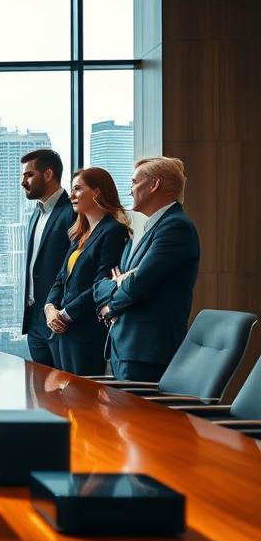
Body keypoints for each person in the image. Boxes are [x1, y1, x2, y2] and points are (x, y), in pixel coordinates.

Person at [94, 157, 200, 381]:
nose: (130, 190)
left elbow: (137, 285)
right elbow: (101, 285)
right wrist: (119, 281)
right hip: (126, 348)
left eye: (134, 182)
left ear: (154, 184)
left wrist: (109, 308)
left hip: (146, 351)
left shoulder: (175, 227)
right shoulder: (146, 229)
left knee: (136, 417)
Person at [44, 168, 130, 375]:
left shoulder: (113, 231)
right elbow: (61, 279)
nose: (71, 195)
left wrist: (65, 315)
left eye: (77, 189)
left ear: (97, 192)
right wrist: (49, 309)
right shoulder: (79, 234)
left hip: (86, 333)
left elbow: (101, 285)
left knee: (83, 402)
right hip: (63, 333)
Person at [20, 149, 75, 367]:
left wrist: (60, 309)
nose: (23, 181)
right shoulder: (36, 213)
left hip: (59, 317)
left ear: (48, 174)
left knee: (65, 392)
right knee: (40, 393)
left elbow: (74, 265)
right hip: (35, 318)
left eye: (29, 175)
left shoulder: (71, 212)